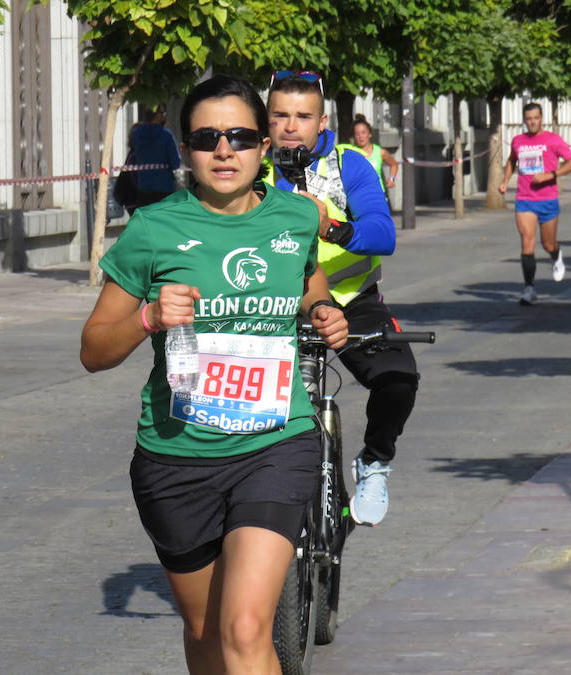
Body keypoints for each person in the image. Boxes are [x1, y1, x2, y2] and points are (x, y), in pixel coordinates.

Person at [81, 74, 348, 673]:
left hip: (275, 442)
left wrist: (325, 310)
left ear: (263, 146)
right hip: (176, 457)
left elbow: (309, 281)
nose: (224, 151)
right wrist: (147, 316)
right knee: (205, 634)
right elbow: (94, 350)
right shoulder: (152, 228)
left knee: (246, 629)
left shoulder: (297, 218)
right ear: (185, 150)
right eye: (206, 137)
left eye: (239, 136)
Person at [264, 70, 418, 527]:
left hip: (351, 301)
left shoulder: (348, 164)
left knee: (398, 378)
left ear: (322, 120)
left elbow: (383, 233)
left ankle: (373, 462)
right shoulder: (249, 164)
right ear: (266, 120)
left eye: (303, 116)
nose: (291, 126)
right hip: (273, 308)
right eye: (281, 115)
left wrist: (331, 225)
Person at [498, 102, 571, 305]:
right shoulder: (518, 141)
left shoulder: (553, 140)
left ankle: (556, 255)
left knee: (548, 243)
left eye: (535, 118)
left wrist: (550, 175)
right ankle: (529, 288)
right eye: (528, 119)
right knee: (527, 241)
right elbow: (511, 161)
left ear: (541, 118)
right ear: (524, 120)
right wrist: (505, 181)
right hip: (525, 199)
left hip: (548, 199)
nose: (532, 122)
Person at [130, 106, 182, 207]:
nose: (164, 116)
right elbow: (175, 163)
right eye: (162, 113)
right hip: (164, 187)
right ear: (156, 115)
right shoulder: (166, 135)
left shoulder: (136, 134)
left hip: (143, 186)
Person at [351, 113, 399, 189]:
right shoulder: (351, 153)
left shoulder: (380, 152)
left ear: (369, 134)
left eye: (363, 133)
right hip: (359, 196)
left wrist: (391, 179)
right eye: (357, 134)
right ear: (354, 136)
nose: (360, 136)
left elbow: (394, 164)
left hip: (377, 195)